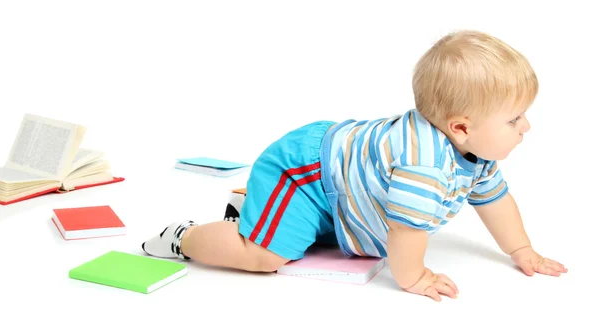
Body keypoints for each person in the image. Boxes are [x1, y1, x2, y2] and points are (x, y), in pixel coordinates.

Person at [141, 30, 567, 302]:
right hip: (303, 172)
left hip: (341, 180)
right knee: (267, 257)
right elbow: (404, 231)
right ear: (460, 127)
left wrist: (521, 250)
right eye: (514, 119)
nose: (527, 126)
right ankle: (188, 237)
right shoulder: (425, 166)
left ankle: (254, 214)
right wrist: (414, 277)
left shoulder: (477, 153)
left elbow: (497, 201)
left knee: (317, 239)